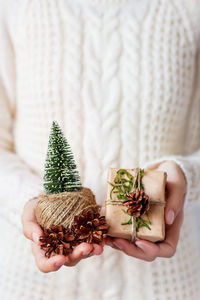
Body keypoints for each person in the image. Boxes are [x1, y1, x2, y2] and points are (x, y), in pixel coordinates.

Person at [0, 0, 200, 299]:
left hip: (167, 286)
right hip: (31, 286)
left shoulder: (189, 10)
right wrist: (33, 204)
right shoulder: (16, 8)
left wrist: (186, 175)